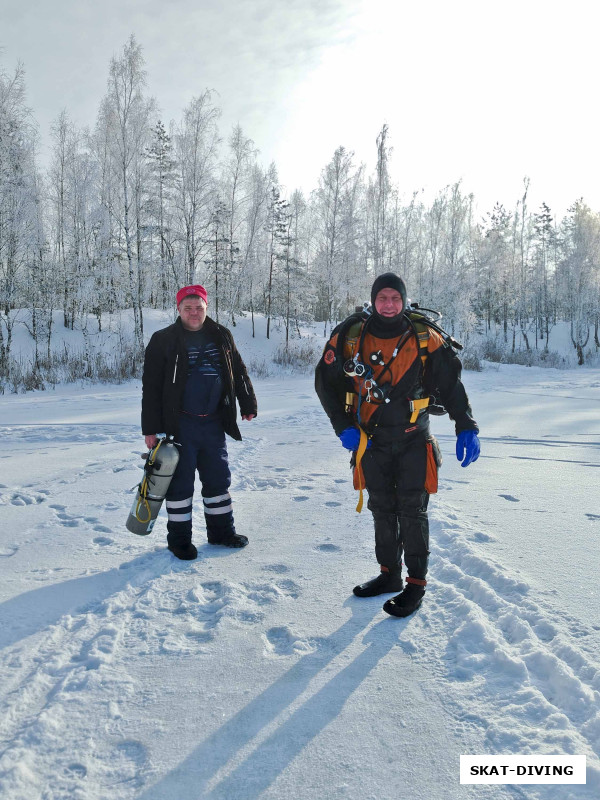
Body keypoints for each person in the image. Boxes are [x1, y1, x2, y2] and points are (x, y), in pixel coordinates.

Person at [315, 272, 480, 617]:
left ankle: (415, 586)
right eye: (382, 298)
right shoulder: (350, 336)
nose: (388, 305)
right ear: (373, 300)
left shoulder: (424, 337)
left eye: (395, 298)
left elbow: (451, 385)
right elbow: (324, 382)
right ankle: (389, 576)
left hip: (413, 440)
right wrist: (341, 425)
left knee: (413, 512)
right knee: (382, 509)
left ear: (403, 301)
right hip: (370, 442)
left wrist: (466, 425)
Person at [141, 284, 257, 560]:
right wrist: (150, 429)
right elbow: (151, 387)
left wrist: (248, 402)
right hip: (179, 425)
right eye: (188, 308)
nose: (194, 313)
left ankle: (221, 533)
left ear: (207, 307)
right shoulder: (163, 339)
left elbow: (238, 371)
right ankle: (179, 541)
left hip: (214, 422)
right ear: (178, 309)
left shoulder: (222, 336)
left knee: (218, 480)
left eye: (199, 308)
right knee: (180, 485)